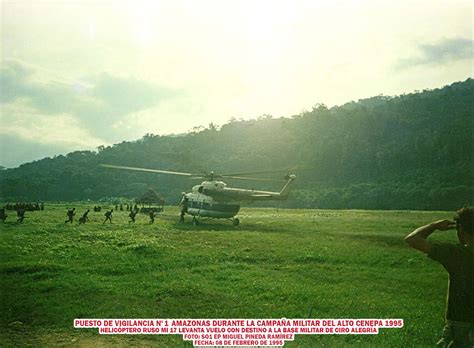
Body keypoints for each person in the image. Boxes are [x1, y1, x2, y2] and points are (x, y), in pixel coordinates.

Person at [405, 206, 474, 347]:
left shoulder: (455, 254)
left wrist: (434, 226)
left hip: (461, 323)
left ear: (460, 229)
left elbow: (412, 239)